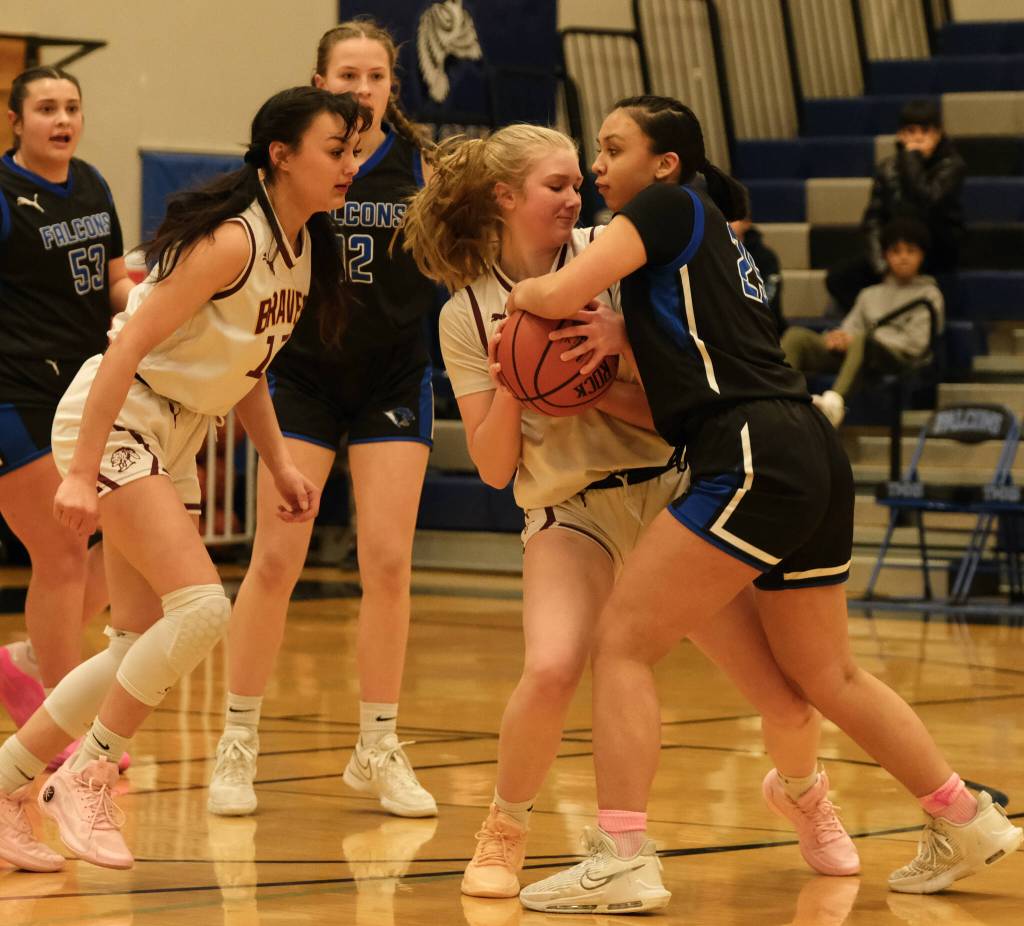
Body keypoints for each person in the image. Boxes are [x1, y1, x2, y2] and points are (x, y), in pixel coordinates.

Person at [506, 95, 1021, 914]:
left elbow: (555, 289)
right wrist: (622, 342)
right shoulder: (702, 235)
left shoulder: (666, 207)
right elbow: (689, 349)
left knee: (625, 642)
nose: (598, 167)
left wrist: (509, 304)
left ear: (665, 162)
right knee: (828, 671)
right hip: (805, 444)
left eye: (612, 149)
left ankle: (625, 855)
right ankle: (963, 817)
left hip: (745, 447)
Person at [404, 123, 859, 900]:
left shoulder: (610, 259)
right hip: (567, 510)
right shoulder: (464, 314)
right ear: (505, 197)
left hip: (670, 492)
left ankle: (806, 792)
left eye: (579, 183)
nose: (577, 196)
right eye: (559, 186)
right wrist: (522, 376)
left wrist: (610, 364)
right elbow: (490, 465)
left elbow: (674, 410)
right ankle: (504, 831)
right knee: (550, 668)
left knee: (779, 695)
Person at [0, 85, 368, 872]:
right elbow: (126, 348)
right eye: (335, 150)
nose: (349, 166)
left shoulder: (302, 247)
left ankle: (5, 787)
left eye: (353, 152)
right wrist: (80, 473)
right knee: (203, 607)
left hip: (177, 431)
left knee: (130, 644)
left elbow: (249, 370)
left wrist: (278, 464)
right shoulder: (233, 241)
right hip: (121, 415)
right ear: (281, 154)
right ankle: (88, 775)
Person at [207, 18, 439, 820]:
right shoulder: (293, 161)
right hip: (300, 378)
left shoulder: (427, 170)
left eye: (375, 77)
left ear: (391, 89)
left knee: (387, 562)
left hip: (393, 376)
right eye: (346, 76)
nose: (361, 90)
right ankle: (236, 740)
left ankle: (377, 744)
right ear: (318, 82)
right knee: (275, 561)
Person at [0, 67, 130, 764]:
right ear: (16, 120)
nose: (61, 119)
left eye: (72, 107)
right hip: (11, 393)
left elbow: (111, 280)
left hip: (80, 390)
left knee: (127, 532)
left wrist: (139, 307)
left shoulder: (93, 183)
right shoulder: (3, 193)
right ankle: (57, 730)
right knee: (59, 551)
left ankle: (27, 662)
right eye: (46, 108)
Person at [783, 217, 943, 427]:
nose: (903, 258)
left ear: (922, 255)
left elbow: (917, 345)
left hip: (899, 359)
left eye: (910, 251)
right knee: (797, 337)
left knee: (861, 340)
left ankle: (834, 405)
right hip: (859, 351)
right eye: (896, 251)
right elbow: (850, 328)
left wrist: (863, 339)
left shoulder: (929, 294)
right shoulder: (870, 294)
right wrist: (836, 338)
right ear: (886, 255)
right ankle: (779, 400)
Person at [826, 98, 965, 313]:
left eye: (925, 131)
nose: (918, 137)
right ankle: (876, 318)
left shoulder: (951, 166)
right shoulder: (887, 168)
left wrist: (911, 160)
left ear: (938, 134)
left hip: (934, 247)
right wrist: (882, 263)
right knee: (838, 279)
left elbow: (926, 203)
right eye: (911, 131)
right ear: (901, 135)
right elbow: (873, 219)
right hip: (894, 249)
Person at [730, 212, 784, 335]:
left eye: (731, 220)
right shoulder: (715, 254)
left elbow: (770, 297)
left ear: (746, 223)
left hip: (764, 329)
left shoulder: (766, 257)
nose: (727, 225)